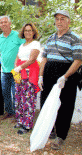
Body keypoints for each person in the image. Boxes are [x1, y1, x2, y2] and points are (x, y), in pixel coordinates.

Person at [39, 10, 82, 150]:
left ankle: (61, 136)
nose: (59, 22)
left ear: (69, 21)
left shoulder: (75, 38)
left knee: (65, 106)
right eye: (57, 19)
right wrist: (40, 76)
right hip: (49, 74)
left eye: (62, 19)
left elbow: (78, 60)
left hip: (67, 76)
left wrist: (65, 76)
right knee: (46, 102)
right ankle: (49, 129)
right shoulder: (51, 38)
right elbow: (44, 59)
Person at [0, 16, 25, 120]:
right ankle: (9, 112)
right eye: (1, 23)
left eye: (5, 22)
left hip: (16, 70)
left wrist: (19, 64)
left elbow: (24, 49)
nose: (3, 24)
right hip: (4, 71)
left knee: (16, 93)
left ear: (10, 23)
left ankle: (18, 114)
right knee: (5, 93)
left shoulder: (17, 35)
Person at [13, 23, 41, 134]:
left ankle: (27, 124)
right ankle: (20, 120)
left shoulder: (36, 44)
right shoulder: (22, 45)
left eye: (30, 30)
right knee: (19, 97)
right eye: (25, 30)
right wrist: (16, 68)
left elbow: (32, 59)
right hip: (19, 73)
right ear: (23, 32)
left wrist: (19, 67)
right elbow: (17, 57)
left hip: (30, 74)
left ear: (34, 32)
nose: (28, 32)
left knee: (28, 99)